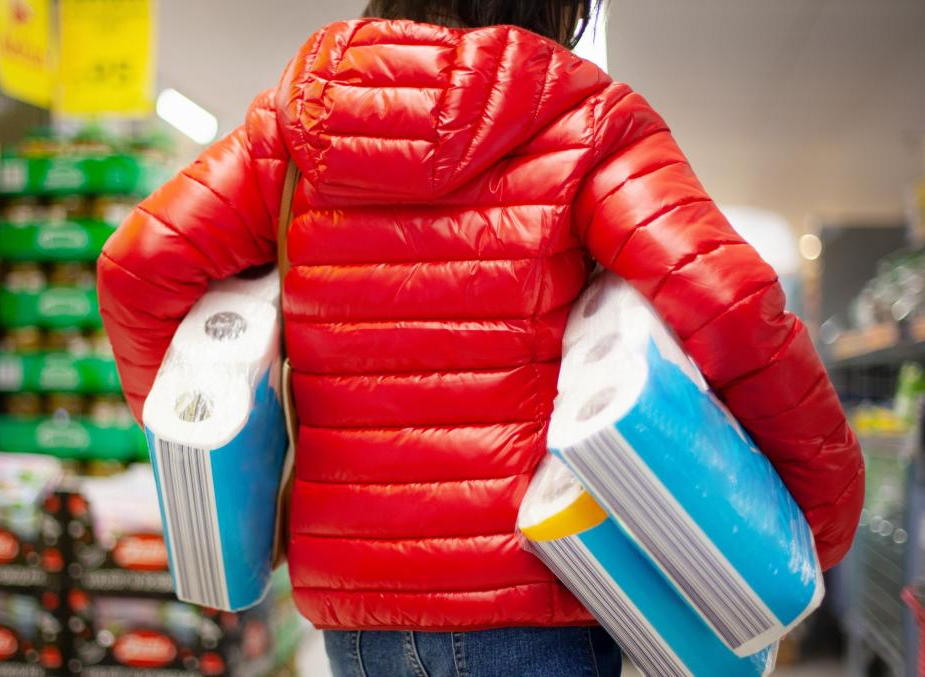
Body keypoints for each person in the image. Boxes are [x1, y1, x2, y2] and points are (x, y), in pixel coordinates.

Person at [97, 1, 865, 675]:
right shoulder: (587, 121)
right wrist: (818, 517)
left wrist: (211, 448)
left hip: (358, 607)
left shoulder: (295, 127)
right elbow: (727, 302)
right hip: (537, 595)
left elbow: (140, 266)